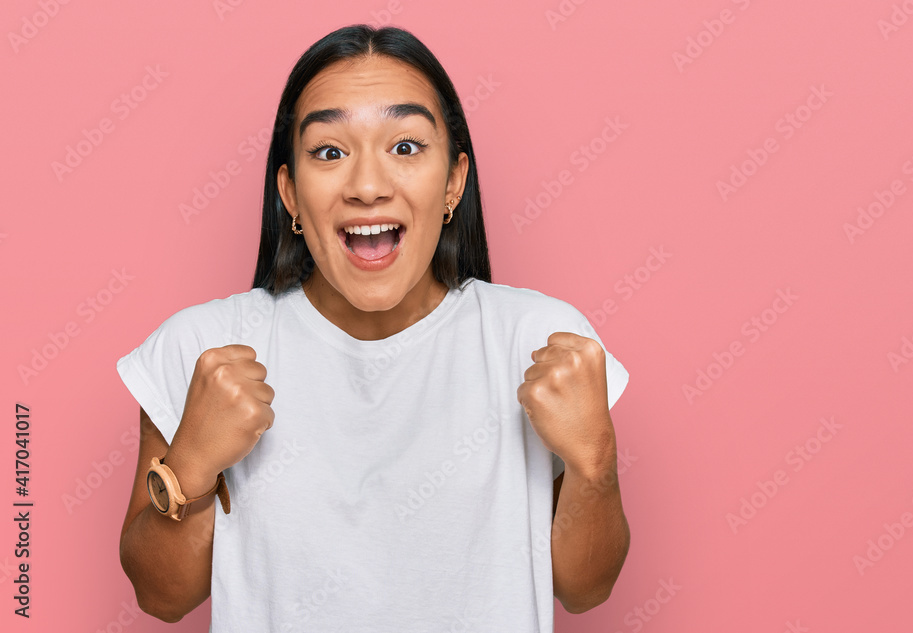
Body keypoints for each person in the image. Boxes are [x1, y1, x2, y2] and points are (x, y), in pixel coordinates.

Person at [116, 24, 630, 632]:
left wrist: (595, 464)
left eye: (406, 147)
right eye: (330, 152)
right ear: (289, 193)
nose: (366, 186)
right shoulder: (200, 348)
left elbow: (586, 589)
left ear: (454, 182)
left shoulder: (540, 341)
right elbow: (160, 596)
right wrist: (193, 467)